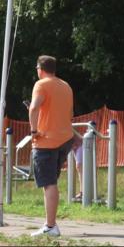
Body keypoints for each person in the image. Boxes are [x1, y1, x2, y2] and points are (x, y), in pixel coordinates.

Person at [27, 55, 76, 237]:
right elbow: (68, 113)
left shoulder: (41, 85)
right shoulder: (65, 86)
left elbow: (34, 108)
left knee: (48, 184)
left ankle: (50, 226)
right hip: (65, 139)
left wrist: (33, 131)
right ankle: (50, 223)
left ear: (40, 69)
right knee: (51, 182)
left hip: (46, 141)